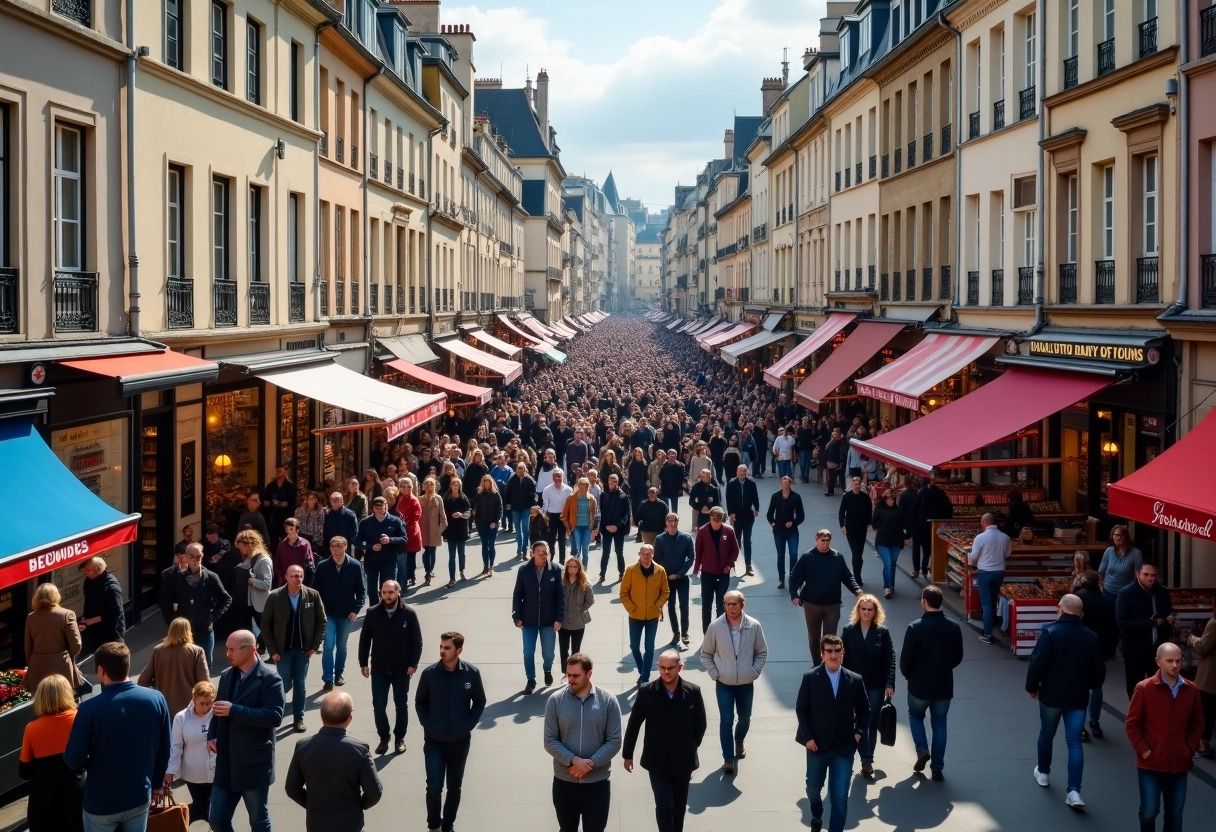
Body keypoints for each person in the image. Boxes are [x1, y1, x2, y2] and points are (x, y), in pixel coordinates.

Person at [64, 641, 171, 832]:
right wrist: (156, 785)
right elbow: (164, 748)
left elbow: (73, 760)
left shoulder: (89, 709)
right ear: (127, 665)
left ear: (100, 670)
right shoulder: (156, 699)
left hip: (101, 804)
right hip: (139, 795)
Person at [1024, 593, 1106, 809]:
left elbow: (1037, 662)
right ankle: (1074, 791)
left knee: (1046, 733)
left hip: (1051, 694)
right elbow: (1099, 672)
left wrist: (1032, 687)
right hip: (1078, 697)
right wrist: (1088, 685)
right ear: (1081, 612)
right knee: (1074, 743)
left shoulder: (1050, 632)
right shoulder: (1090, 636)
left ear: (1060, 608)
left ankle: (1043, 772)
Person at [207, 629, 286, 832]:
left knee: (258, 821)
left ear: (251, 649)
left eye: (232, 649)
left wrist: (236, 710)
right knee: (216, 820)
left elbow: (274, 716)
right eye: (227, 649)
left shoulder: (271, 679)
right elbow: (218, 709)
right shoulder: (226, 676)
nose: (227, 654)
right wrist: (212, 735)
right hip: (227, 763)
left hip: (254, 764)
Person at [622, 649, 707, 832]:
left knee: (678, 807)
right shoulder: (647, 692)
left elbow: (700, 724)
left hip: (683, 761)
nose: (666, 672)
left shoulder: (693, 691)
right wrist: (627, 754)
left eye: (670, 668)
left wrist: (691, 745)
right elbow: (634, 723)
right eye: (662, 668)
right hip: (656, 761)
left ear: (680, 667)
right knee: (664, 804)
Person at [1125, 643, 1205, 832]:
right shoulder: (1144, 688)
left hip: (1179, 764)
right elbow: (1132, 723)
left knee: (1175, 816)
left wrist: (1189, 750)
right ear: (1158, 661)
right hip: (1150, 765)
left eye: (1178, 660)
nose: (1175, 665)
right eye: (1170, 661)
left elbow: (1198, 723)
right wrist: (1144, 751)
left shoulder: (1191, 689)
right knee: (1149, 812)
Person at [795, 634, 870, 832]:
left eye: (838, 651)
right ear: (822, 654)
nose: (834, 655)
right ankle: (817, 814)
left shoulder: (854, 680)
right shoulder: (810, 678)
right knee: (813, 789)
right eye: (829, 651)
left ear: (843, 653)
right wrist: (808, 737)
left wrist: (858, 733)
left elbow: (865, 711)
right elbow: (801, 709)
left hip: (844, 748)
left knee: (839, 797)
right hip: (817, 745)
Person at [415, 631, 487, 832]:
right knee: (434, 786)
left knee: (454, 787)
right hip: (434, 741)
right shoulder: (429, 674)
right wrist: (427, 723)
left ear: (459, 650)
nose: (442, 651)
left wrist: (468, 724)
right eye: (440, 646)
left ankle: (448, 825)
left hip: (460, 741)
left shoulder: (471, 674)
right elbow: (420, 701)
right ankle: (434, 825)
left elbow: (480, 701)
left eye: (447, 647)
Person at [543, 653, 622, 832]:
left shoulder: (608, 701)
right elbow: (549, 740)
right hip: (564, 783)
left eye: (576, 675)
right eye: (568, 674)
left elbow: (615, 740)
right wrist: (573, 760)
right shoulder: (555, 700)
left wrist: (591, 763)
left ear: (589, 674)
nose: (570, 679)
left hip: (598, 784)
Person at [284, 690, 382, 831]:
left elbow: (292, 789)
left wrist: (312, 805)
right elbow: (374, 792)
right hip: (350, 823)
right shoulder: (359, 750)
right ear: (349, 717)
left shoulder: (303, 747)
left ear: (321, 715)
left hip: (316, 823)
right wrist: (358, 805)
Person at [899, 585, 964, 781]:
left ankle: (922, 749)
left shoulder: (915, 627)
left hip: (919, 685)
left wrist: (908, 674)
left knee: (915, 715)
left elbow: (905, 659)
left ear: (924, 602)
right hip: (943, 685)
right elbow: (958, 656)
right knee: (940, 724)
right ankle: (937, 768)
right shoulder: (953, 627)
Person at [700, 590, 767, 774]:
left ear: (742, 605)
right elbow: (706, 654)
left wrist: (754, 672)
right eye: (727, 604)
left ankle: (739, 740)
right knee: (726, 720)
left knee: (745, 718)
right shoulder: (715, 627)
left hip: (746, 683)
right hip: (724, 684)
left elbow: (761, 652)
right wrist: (715, 673)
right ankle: (728, 758)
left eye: (734, 604)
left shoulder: (754, 626)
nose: (730, 608)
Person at [357, 579, 422, 755]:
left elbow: (417, 642)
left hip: (402, 670)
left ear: (398, 593)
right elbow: (365, 639)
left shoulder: (409, 614)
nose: (387, 596)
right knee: (378, 705)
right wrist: (363, 662)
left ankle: (399, 738)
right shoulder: (372, 613)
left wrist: (413, 664)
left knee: (401, 705)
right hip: (379, 668)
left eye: (391, 592)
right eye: (384, 592)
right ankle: (384, 737)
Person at [261, 564, 327, 732]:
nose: (297, 578)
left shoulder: (313, 595)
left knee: (300, 684)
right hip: (282, 652)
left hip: (303, 651)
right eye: (294, 576)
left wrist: (314, 646)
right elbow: (266, 624)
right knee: (282, 683)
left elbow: (322, 621)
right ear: (286, 577)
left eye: (300, 575)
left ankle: (299, 718)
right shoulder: (275, 596)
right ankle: (275, 713)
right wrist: (273, 651)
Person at [20, 675, 84, 832]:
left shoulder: (31, 729)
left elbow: (24, 771)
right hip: (77, 796)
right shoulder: (79, 719)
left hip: (44, 800)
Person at [841, 595, 895, 777]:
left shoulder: (882, 632)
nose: (866, 612)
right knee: (853, 722)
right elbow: (842, 659)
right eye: (863, 608)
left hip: (876, 685)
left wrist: (890, 683)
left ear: (875, 612)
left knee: (870, 723)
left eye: (869, 609)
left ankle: (867, 760)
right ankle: (850, 756)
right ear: (858, 610)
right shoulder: (848, 631)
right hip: (853, 685)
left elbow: (890, 659)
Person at [789, 530, 862, 662]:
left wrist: (857, 590)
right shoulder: (807, 557)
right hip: (812, 605)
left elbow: (847, 577)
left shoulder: (837, 557)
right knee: (814, 637)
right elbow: (794, 577)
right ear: (816, 540)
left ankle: (827, 663)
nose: (825, 543)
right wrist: (794, 595)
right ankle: (817, 664)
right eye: (822, 540)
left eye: (828, 540)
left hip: (832, 605)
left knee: (829, 638)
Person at [313, 536, 367, 691]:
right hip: (327, 614)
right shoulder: (323, 566)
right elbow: (315, 590)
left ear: (345, 547)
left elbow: (361, 591)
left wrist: (356, 609)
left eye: (339, 547)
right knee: (328, 646)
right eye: (333, 547)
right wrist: (318, 611)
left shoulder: (355, 566)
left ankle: (339, 675)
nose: (336, 551)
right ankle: (328, 678)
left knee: (341, 646)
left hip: (346, 614)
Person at [168, 542, 233, 669]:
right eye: (191, 556)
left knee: (205, 665)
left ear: (202, 556)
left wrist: (212, 617)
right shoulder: (179, 578)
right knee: (185, 665)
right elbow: (169, 600)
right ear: (185, 558)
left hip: (204, 631)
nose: (195, 559)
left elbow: (226, 599)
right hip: (184, 632)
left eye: (198, 556)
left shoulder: (211, 577)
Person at [512, 541, 565, 694]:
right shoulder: (524, 570)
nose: (542, 553)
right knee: (528, 652)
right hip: (528, 620)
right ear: (532, 553)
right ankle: (531, 679)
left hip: (549, 621)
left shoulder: (555, 569)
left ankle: (547, 670)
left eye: (545, 550)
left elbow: (560, 597)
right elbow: (517, 594)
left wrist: (558, 618)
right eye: (539, 551)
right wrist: (517, 616)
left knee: (548, 653)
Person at [1116, 563, 1175, 697]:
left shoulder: (1162, 592)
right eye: (1146, 575)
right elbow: (1122, 622)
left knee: (1159, 686)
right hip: (1134, 649)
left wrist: (1169, 618)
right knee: (1135, 687)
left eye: (1153, 575)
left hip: (1158, 648)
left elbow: (1168, 611)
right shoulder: (1126, 593)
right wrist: (1150, 623)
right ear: (1138, 574)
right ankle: (1136, 715)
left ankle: (1155, 715)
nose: (1150, 578)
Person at [165, 681, 218, 825]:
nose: (206, 707)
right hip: (194, 774)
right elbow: (176, 747)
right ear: (194, 699)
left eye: (209, 703)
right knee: (204, 808)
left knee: (211, 810)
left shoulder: (219, 715)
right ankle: (176, 823)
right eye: (202, 703)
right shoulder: (182, 718)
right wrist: (170, 772)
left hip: (217, 772)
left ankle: (176, 823)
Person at [1074, 570, 1118, 740]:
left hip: (1080, 647)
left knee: (1080, 686)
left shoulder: (1079, 598)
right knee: (1097, 686)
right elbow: (1113, 627)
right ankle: (1094, 721)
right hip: (1101, 648)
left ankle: (1081, 724)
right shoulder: (1108, 601)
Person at [137, 617, 210, 716]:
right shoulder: (197, 651)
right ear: (188, 631)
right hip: (189, 710)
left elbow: (142, 681)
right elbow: (204, 683)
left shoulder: (158, 650)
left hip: (163, 707)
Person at [620, 544, 670, 686]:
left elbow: (665, 592)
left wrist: (657, 606)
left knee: (649, 647)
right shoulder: (630, 570)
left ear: (653, 555)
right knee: (634, 646)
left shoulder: (660, 571)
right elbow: (624, 593)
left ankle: (645, 677)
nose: (646, 556)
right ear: (639, 554)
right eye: (644, 553)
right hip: (635, 615)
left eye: (649, 554)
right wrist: (631, 608)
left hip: (652, 616)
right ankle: (643, 670)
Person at [23, 583, 84, 694]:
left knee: (41, 704)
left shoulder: (31, 617)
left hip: (38, 667)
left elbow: (28, 646)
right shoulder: (67, 614)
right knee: (63, 701)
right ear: (56, 596)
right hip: (62, 667)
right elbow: (76, 645)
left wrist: (32, 664)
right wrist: (66, 655)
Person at [693, 506, 739, 634]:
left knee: (721, 605)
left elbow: (735, 550)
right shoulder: (702, 531)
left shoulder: (728, 531)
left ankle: (719, 633)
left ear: (722, 520)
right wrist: (696, 570)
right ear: (710, 518)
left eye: (719, 520)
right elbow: (699, 551)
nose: (716, 523)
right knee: (706, 605)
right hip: (707, 574)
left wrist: (729, 565)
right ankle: (707, 634)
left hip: (724, 573)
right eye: (714, 519)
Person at [968, 512, 1011, 644]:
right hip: (999, 572)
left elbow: (974, 557)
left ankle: (987, 634)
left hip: (985, 572)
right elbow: (1008, 553)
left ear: (984, 523)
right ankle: (993, 623)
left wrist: (970, 558)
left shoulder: (980, 537)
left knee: (986, 603)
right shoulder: (1005, 537)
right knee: (993, 600)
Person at [355, 496, 407, 602]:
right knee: (372, 589)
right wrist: (370, 546)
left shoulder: (395, 521)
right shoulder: (365, 522)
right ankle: (374, 610)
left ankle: (388, 608)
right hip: (371, 561)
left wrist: (390, 540)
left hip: (389, 560)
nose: (379, 510)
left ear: (386, 507)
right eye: (376, 507)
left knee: (388, 587)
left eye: (381, 507)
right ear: (372, 508)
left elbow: (404, 538)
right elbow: (358, 541)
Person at [654, 513, 695, 647]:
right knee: (671, 606)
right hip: (667, 579)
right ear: (666, 523)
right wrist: (665, 576)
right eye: (670, 521)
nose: (672, 524)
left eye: (675, 521)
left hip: (681, 578)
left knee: (684, 606)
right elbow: (657, 561)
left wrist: (680, 573)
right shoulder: (660, 539)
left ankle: (685, 633)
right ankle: (676, 633)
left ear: (678, 522)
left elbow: (691, 558)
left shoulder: (686, 538)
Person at [234, 531, 274, 652]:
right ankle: (260, 648)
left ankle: (272, 652)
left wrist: (252, 581)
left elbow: (267, 584)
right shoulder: (249, 558)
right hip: (249, 601)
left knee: (265, 628)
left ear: (248, 544)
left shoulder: (263, 560)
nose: (240, 550)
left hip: (260, 602)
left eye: (241, 547)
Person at [1187, 596, 1216, 758]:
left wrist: (1192, 639)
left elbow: (1203, 647)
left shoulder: (1214, 623)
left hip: (1211, 675)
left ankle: (1203, 743)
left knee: (1207, 710)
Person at [78, 556, 124, 657]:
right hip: (95, 632)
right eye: (84, 570)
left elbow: (116, 612)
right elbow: (88, 602)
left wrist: (91, 621)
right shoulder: (89, 581)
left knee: (111, 662)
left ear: (97, 569)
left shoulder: (111, 587)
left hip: (110, 633)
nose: (85, 572)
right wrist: (84, 619)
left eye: (88, 570)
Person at [766, 475, 805, 588]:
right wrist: (772, 522)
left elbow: (801, 515)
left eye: (787, 480)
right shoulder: (775, 496)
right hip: (778, 531)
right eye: (783, 480)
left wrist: (793, 522)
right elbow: (769, 513)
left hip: (792, 530)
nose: (785, 481)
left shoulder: (796, 497)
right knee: (780, 555)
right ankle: (781, 579)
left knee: (793, 554)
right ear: (780, 483)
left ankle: (793, 578)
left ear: (790, 483)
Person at [911, 475, 953, 577]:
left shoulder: (921, 493)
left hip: (919, 525)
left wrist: (912, 524)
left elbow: (914, 509)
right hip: (933, 525)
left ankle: (916, 570)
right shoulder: (940, 493)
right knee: (927, 549)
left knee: (916, 548)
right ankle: (924, 569)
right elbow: (949, 509)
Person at [871, 489, 909, 599]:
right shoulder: (880, 509)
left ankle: (891, 585)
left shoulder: (899, 510)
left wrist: (906, 537)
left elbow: (904, 525)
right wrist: (880, 526)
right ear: (885, 499)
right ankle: (886, 587)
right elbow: (874, 522)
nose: (892, 501)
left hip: (896, 541)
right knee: (887, 564)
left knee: (892, 564)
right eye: (889, 499)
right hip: (882, 541)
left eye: (893, 499)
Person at [559, 558, 595, 669]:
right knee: (563, 649)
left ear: (579, 568)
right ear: (566, 568)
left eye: (575, 567)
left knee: (576, 650)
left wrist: (581, 609)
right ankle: (565, 672)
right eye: (570, 566)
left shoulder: (584, 583)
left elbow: (590, 600)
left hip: (578, 622)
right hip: (563, 621)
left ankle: (574, 671)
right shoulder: (562, 582)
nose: (572, 569)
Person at [838, 477, 873, 587]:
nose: (857, 486)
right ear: (852, 485)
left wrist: (869, 523)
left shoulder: (865, 497)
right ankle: (857, 578)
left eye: (859, 484)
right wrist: (842, 525)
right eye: (855, 484)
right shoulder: (847, 497)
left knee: (859, 555)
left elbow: (869, 512)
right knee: (856, 555)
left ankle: (857, 574)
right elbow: (841, 512)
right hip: (851, 530)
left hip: (862, 530)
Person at [726, 464, 760, 576]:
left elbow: (755, 498)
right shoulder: (731, 483)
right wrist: (730, 512)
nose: (742, 473)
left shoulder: (751, 484)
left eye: (744, 471)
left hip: (748, 517)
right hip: (736, 517)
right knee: (736, 541)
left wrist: (756, 509)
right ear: (737, 471)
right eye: (740, 471)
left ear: (746, 472)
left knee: (747, 541)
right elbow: (728, 499)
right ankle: (732, 564)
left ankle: (748, 565)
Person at [597, 473, 631, 582]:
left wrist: (617, 526)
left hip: (618, 529)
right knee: (605, 552)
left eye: (614, 480)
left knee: (619, 552)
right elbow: (600, 511)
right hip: (606, 528)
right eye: (610, 480)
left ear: (618, 482)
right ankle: (602, 573)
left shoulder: (623, 496)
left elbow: (627, 513)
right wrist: (604, 526)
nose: (612, 482)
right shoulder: (603, 495)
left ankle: (622, 572)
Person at [1099, 525, 1144, 602]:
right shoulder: (1109, 551)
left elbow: (1138, 577)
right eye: (1115, 535)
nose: (1117, 538)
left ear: (1126, 537)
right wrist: (1100, 586)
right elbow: (1101, 572)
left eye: (1120, 535)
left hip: (1126, 594)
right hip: (1108, 592)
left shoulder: (1136, 553)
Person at [561, 477, 598, 567]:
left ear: (587, 486)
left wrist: (594, 529)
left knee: (585, 552)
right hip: (576, 528)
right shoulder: (571, 498)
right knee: (577, 551)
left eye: (584, 485)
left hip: (587, 528)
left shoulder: (591, 499)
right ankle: (577, 572)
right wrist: (568, 528)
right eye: (580, 484)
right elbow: (564, 515)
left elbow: (595, 515)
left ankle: (584, 572)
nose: (581, 487)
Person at [504, 463, 538, 561]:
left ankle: (524, 550)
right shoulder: (511, 480)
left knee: (525, 530)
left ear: (525, 470)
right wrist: (508, 503)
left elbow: (534, 493)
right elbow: (507, 493)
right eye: (518, 469)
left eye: (521, 469)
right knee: (518, 531)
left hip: (526, 508)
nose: (519, 471)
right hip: (515, 508)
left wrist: (533, 505)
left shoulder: (529, 480)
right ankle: (519, 549)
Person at [443, 479, 473, 585]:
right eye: (454, 485)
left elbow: (469, 513)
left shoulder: (464, 498)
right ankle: (452, 577)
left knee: (461, 553)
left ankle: (462, 570)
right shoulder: (446, 498)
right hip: (450, 529)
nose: (456, 487)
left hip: (461, 529)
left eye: (458, 485)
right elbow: (442, 514)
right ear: (451, 486)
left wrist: (460, 514)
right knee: (452, 555)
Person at [472, 474, 503, 577]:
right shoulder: (480, 495)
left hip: (492, 524)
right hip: (482, 524)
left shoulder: (496, 495)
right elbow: (477, 509)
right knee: (484, 546)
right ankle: (485, 566)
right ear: (483, 483)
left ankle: (491, 566)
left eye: (488, 482)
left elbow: (499, 509)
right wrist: (476, 521)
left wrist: (495, 521)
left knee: (491, 545)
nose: (487, 484)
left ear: (491, 483)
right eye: (485, 482)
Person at [541, 468, 574, 564]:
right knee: (551, 540)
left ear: (562, 477)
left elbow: (570, 505)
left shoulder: (568, 489)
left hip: (563, 517)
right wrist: (545, 518)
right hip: (552, 516)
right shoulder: (547, 489)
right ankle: (550, 560)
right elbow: (545, 505)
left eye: (559, 476)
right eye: (555, 476)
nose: (557, 478)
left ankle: (562, 562)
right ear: (552, 478)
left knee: (562, 540)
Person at [395, 477, 424, 586]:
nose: (405, 488)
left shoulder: (414, 500)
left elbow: (417, 514)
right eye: (402, 486)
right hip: (399, 531)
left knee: (410, 556)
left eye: (408, 486)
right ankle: (404, 575)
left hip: (411, 531)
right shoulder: (398, 498)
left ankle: (411, 575)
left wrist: (406, 523)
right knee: (402, 556)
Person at [419, 477, 448, 585]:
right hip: (424, 530)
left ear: (434, 486)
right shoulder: (420, 499)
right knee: (426, 551)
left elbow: (443, 517)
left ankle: (430, 570)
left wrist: (440, 529)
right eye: (426, 484)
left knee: (432, 550)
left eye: (431, 484)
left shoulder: (438, 498)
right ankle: (428, 572)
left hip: (435, 530)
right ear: (423, 486)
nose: (429, 487)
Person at [274, 517, 316, 587]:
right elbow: (277, 562)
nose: (289, 532)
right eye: (287, 529)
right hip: (285, 581)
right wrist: (282, 576)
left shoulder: (305, 544)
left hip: (302, 581)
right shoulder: (282, 545)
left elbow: (310, 563)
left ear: (297, 529)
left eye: (291, 529)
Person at [261, 466, 297, 546]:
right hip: (273, 518)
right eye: (277, 471)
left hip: (285, 517)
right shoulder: (270, 486)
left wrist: (287, 504)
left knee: (286, 539)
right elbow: (264, 501)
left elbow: (293, 502)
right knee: (273, 540)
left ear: (284, 473)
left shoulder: (290, 486)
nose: (278, 473)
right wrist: (270, 502)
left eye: (280, 471)